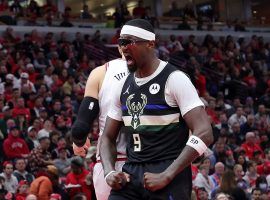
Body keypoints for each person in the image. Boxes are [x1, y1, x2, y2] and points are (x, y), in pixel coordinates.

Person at [100, 18, 213, 199]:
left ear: (150, 44)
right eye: (121, 42)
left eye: (129, 42)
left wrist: (167, 174)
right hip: (131, 174)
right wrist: (109, 172)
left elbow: (204, 132)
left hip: (169, 172)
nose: (123, 48)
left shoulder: (175, 79)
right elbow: (107, 137)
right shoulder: (121, 85)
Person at [71, 50, 128, 200]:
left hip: (108, 163)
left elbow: (80, 128)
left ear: (120, 47)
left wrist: (79, 142)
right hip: (149, 161)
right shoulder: (160, 71)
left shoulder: (101, 72)